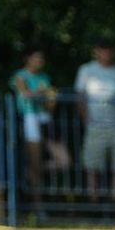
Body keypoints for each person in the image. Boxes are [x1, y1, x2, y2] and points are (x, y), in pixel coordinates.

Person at [74, 38, 115, 203]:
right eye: (102, 49)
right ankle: (93, 201)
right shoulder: (86, 70)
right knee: (93, 165)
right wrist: (87, 120)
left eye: (109, 50)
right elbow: (80, 98)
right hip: (96, 126)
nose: (106, 53)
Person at [10, 49, 68, 216]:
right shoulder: (20, 76)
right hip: (30, 120)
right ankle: (38, 206)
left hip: (45, 120)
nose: (40, 61)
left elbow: (50, 104)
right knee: (35, 165)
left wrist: (50, 99)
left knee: (64, 161)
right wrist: (42, 93)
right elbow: (25, 94)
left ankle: (29, 172)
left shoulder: (44, 78)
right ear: (27, 59)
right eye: (36, 58)